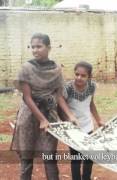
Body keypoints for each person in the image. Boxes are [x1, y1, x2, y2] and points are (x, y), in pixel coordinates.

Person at [10, 33, 77, 180]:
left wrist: (70, 115)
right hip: (29, 116)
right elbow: (27, 97)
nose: (35, 50)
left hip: (49, 115)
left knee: (49, 156)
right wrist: (41, 120)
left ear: (48, 48)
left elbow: (59, 96)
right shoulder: (26, 68)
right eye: (32, 47)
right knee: (27, 158)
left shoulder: (56, 69)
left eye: (39, 46)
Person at [63, 61, 104, 180]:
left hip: (88, 127)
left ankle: (86, 178)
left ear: (89, 76)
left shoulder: (92, 86)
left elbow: (91, 104)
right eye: (76, 74)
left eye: (83, 75)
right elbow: (61, 107)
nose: (79, 77)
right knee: (76, 158)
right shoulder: (68, 88)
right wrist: (67, 121)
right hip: (73, 129)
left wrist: (98, 120)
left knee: (89, 157)